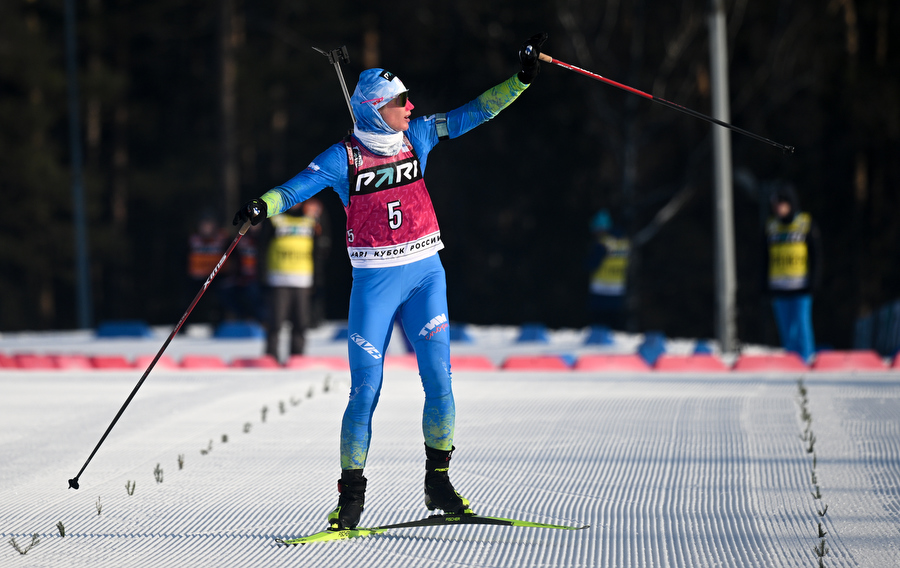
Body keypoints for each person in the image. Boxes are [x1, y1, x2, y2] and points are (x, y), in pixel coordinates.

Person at [232, 32, 548, 530]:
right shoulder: (344, 158)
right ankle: (351, 498)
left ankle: (438, 484)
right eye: (402, 101)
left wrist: (522, 79)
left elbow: (473, 114)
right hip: (375, 285)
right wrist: (260, 206)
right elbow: (295, 189)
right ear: (377, 108)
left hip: (426, 276)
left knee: (441, 384)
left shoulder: (417, 136)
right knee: (365, 391)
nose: (411, 106)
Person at [762, 184, 822, 363]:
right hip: (779, 286)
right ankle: (792, 362)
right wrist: (763, 283)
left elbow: (816, 255)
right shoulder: (771, 226)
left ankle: (806, 359)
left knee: (802, 326)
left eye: (781, 204)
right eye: (775, 205)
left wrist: (814, 280)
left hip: (801, 285)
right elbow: (763, 257)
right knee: (786, 329)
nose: (778, 208)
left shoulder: (804, 223)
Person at [263, 202, 317, 361]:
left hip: (303, 279)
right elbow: (261, 249)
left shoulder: (311, 220)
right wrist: (262, 277)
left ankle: (297, 357)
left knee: (301, 323)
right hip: (278, 279)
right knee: (275, 322)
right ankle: (271, 357)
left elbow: (320, 249)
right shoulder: (275, 220)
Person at [586, 209, 630, 330]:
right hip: (617, 291)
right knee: (614, 327)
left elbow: (590, 264)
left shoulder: (603, 244)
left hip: (600, 292)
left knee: (599, 328)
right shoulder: (623, 242)